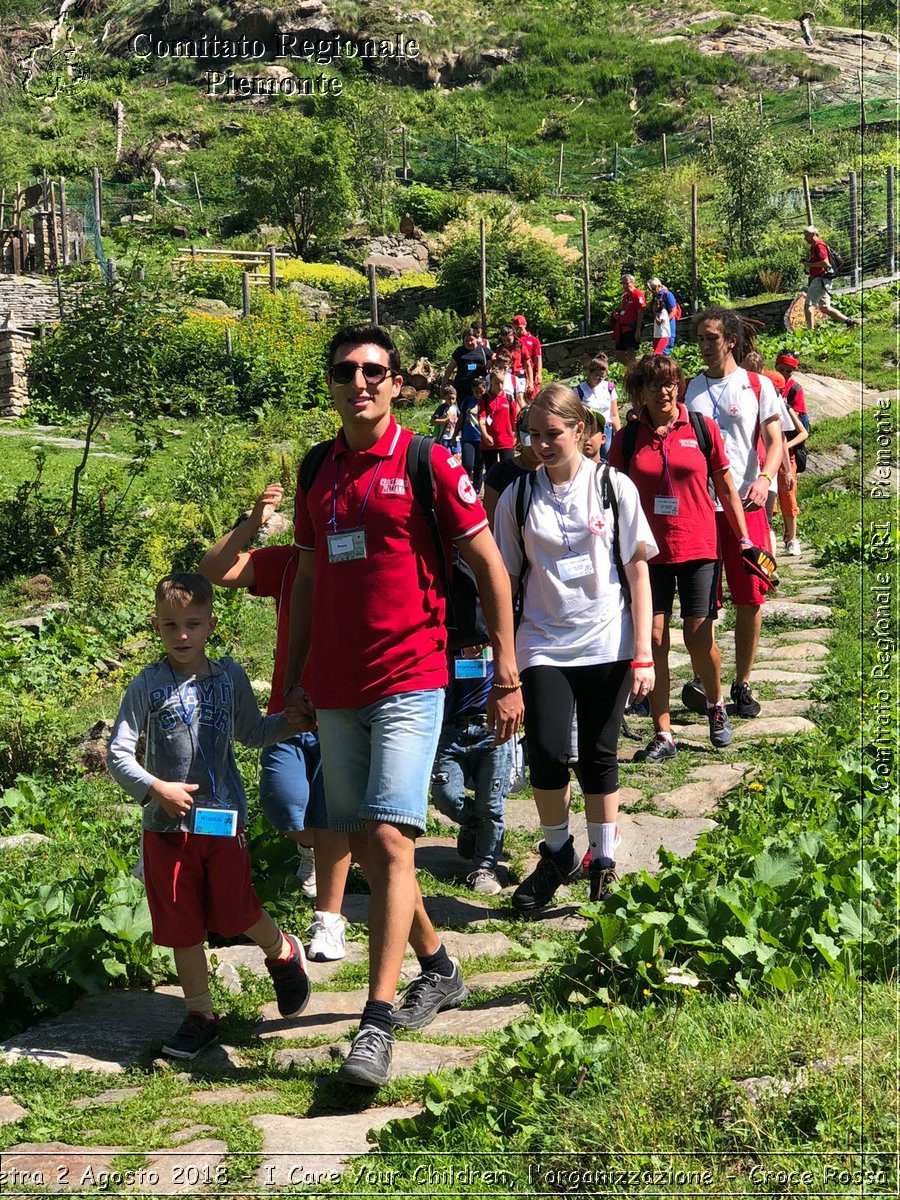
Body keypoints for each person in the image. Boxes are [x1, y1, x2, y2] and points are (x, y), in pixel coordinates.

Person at [284, 324, 523, 1087]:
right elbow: (310, 585)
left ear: (396, 383)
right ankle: (440, 968)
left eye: (375, 371)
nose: (361, 382)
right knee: (363, 838)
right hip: (337, 689)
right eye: (346, 370)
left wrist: (509, 673)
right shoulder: (316, 471)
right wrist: (290, 680)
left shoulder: (430, 461)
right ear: (330, 382)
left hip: (411, 679)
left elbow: (490, 568)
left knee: (388, 840)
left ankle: (375, 1023)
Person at [108, 574, 310, 1060]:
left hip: (222, 821)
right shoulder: (147, 685)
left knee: (236, 911)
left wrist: (288, 722)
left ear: (211, 625)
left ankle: (283, 952)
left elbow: (252, 732)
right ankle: (199, 1012)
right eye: (171, 625)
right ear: (155, 626)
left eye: (193, 624)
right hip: (165, 828)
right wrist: (157, 788)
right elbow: (119, 754)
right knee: (181, 924)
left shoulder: (230, 677)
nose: (182, 635)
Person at [493, 384, 657, 911]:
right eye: (534, 435)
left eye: (553, 434)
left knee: (598, 753)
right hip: (541, 640)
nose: (541, 444)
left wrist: (644, 653)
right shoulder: (519, 497)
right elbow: (505, 578)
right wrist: (505, 657)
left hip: (607, 637)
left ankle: (603, 862)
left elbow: (636, 567)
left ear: (580, 431)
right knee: (544, 749)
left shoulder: (614, 487)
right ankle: (558, 852)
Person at [198, 486, 352, 963]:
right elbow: (214, 571)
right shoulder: (288, 561)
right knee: (284, 807)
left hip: (344, 711)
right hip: (287, 712)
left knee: (332, 816)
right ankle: (313, 852)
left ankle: (329, 921)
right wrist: (254, 519)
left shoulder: (357, 554)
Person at [611, 355, 766, 761]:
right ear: (638, 392)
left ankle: (715, 704)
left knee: (699, 636)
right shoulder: (627, 440)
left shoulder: (700, 426)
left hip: (699, 546)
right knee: (655, 640)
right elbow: (610, 499)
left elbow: (727, 488)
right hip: (648, 554)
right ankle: (663, 733)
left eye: (671, 384)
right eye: (655, 385)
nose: (665, 392)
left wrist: (745, 538)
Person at [684, 307, 783, 719]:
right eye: (700, 339)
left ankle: (742, 683)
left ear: (730, 339)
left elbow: (775, 441)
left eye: (711, 338)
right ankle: (706, 681)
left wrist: (765, 478)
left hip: (746, 506)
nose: (705, 346)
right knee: (702, 602)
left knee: (750, 597)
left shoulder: (756, 385)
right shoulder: (690, 389)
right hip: (702, 508)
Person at [431, 642, 511, 895]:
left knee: (491, 806)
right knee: (445, 796)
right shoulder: (444, 633)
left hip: (491, 727)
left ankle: (485, 867)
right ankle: (475, 824)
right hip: (449, 729)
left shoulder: (501, 635)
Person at [483, 403, 540, 528]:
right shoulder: (500, 472)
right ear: (519, 435)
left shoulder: (556, 472)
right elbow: (490, 522)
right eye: (529, 431)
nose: (537, 443)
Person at [802, 226, 861, 329]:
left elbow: (825, 263)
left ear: (813, 234)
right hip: (823, 280)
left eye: (806, 235)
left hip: (820, 280)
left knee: (808, 305)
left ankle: (809, 332)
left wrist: (809, 265)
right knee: (825, 308)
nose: (805, 238)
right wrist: (808, 262)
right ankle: (850, 322)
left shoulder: (819, 245)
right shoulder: (814, 246)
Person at [575, 354, 620, 462]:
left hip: (607, 428)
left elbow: (614, 415)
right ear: (589, 373)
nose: (600, 379)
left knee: (607, 457)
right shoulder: (579, 391)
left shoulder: (609, 387)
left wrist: (619, 435)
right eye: (597, 376)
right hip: (590, 430)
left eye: (602, 377)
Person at [479, 367, 520, 473]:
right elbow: (482, 419)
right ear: (491, 382)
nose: (500, 386)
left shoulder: (509, 398)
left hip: (506, 441)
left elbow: (514, 420)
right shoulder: (484, 399)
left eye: (502, 382)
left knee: (509, 471)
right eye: (497, 383)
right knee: (491, 472)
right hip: (489, 443)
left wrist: (515, 435)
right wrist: (485, 435)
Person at [611, 274, 646, 366]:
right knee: (618, 354)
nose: (624, 286)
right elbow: (624, 310)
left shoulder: (638, 294)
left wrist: (638, 330)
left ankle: (634, 371)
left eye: (626, 283)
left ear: (632, 282)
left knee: (631, 351)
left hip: (631, 327)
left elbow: (641, 312)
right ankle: (633, 368)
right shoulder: (625, 296)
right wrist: (617, 316)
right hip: (622, 328)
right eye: (622, 283)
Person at [460, 376, 487, 492]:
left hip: (481, 439)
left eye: (481, 391)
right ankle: (464, 485)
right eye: (476, 392)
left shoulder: (488, 401)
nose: (478, 394)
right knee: (467, 464)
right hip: (468, 437)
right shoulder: (467, 402)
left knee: (479, 466)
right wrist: (456, 434)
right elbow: (460, 419)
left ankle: (476, 490)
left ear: (485, 389)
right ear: (472, 390)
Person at [492, 325, 533, 400]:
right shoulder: (500, 349)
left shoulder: (521, 347)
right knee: (508, 398)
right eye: (504, 340)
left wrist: (530, 382)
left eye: (509, 339)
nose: (506, 342)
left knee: (520, 398)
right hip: (506, 376)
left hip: (519, 375)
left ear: (514, 336)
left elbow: (528, 365)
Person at [511, 314, 542, 400]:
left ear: (525, 325)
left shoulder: (534, 340)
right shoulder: (513, 340)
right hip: (517, 373)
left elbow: (538, 357)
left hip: (530, 373)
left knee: (533, 397)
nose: (517, 330)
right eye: (515, 328)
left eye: (519, 327)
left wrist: (539, 373)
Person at [647, 278, 679, 353]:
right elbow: (654, 310)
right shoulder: (656, 296)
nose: (652, 291)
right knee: (657, 350)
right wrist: (656, 317)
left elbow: (673, 311)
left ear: (659, 286)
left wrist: (664, 320)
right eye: (650, 289)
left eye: (653, 289)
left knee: (662, 351)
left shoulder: (667, 294)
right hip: (658, 329)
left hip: (668, 327)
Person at [431, 384, 460, 453]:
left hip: (455, 436)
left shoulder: (455, 407)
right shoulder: (442, 408)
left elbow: (460, 417)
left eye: (453, 399)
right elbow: (432, 420)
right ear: (445, 398)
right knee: (447, 455)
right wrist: (445, 420)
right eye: (449, 398)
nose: (451, 401)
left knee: (457, 454)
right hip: (444, 437)